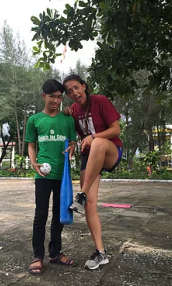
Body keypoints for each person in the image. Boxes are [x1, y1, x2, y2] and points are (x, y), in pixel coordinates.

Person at [63, 74, 123, 270]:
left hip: (110, 149)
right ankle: (100, 252)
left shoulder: (100, 101)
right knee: (89, 204)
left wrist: (94, 136)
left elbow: (116, 129)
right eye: (69, 91)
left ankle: (81, 194)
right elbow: (73, 134)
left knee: (96, 142)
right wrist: (73, 143)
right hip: (90, 156)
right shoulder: (73, 110)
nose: (74, 93)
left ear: (84, 86)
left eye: (76, 88)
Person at [25, 79, 77, 275]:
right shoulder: (35, 120)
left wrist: (73, 146)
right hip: (43, 174)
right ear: (43, 96)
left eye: (59, 97)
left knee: (59, 215)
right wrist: (33, 162)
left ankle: (55, 253)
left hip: (62, 175)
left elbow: (72, 141)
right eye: (52, 97)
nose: (56, 101)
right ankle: (38, 256)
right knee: (41, 215)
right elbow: (31, 144)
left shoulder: (67, 119)